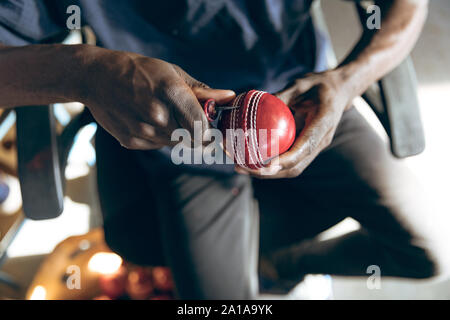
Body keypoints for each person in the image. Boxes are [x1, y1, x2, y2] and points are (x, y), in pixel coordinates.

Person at [1, 0, 446, 299]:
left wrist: (347, 81)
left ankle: (273, 259)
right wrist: (83, 73)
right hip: (175, 143)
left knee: (431, 252)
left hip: (304, 102)